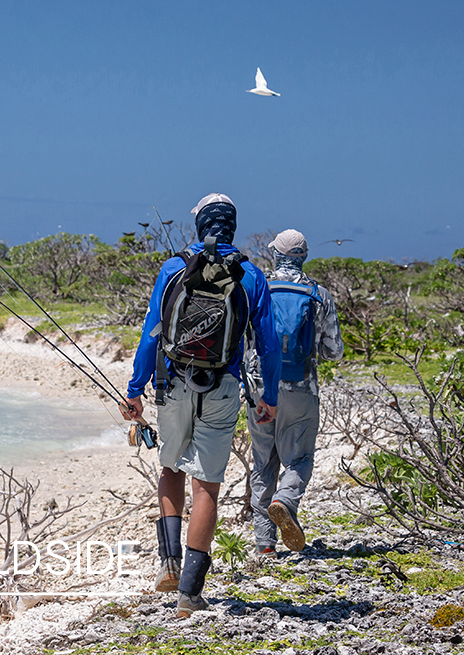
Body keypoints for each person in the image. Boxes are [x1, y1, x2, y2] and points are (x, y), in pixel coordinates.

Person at [122, 193, 280, 617]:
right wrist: (272, 397)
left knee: (170, 468)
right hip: (224, 387)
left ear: (200, 227)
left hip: (172, 385)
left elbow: (151, 333)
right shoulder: (251, 276)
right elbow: (268, 345)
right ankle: (189, 594)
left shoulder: (175, 268)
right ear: (231, 226)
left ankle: (169, 566)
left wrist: (135, 388)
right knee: (206, 485)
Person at [245, 229, 344, 555]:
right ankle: (285, 500)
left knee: (263, 462)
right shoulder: (319, 294)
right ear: (304, 257)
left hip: (259, 387)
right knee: (299, 459)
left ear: (275, 254)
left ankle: (264, 545)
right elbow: (334, 352)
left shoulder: (258, 288)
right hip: (301, 387)